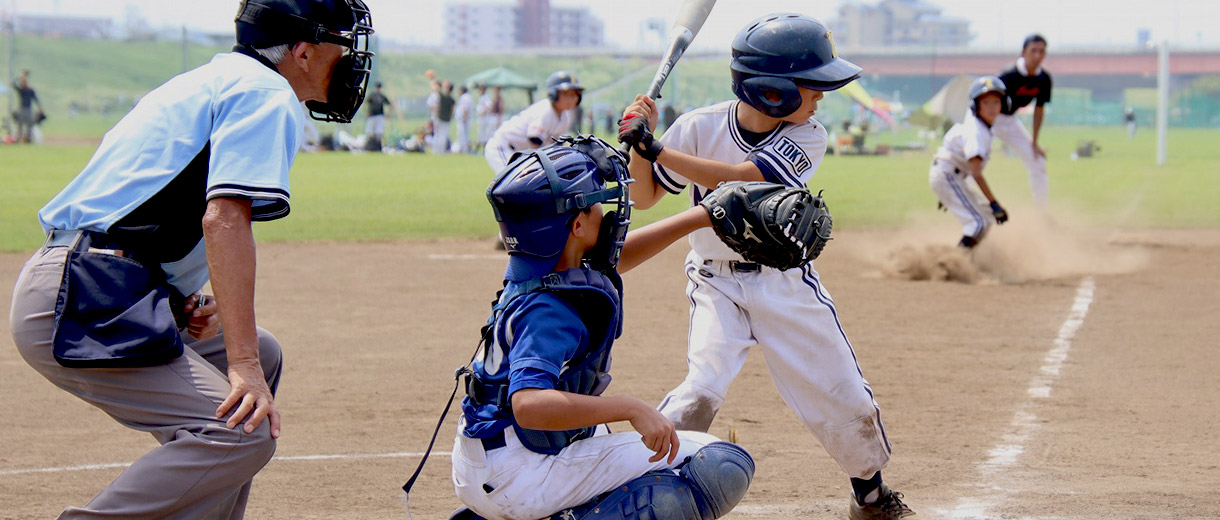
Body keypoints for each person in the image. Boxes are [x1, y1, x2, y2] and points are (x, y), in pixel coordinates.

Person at [7, 1, 373, 517]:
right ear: (304, 53)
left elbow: (143, 210)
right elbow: (224, 219)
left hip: (98, 282)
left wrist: (178, 297)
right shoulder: (265, 93)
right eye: (344, 43)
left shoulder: (220, 78)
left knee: (261, 354)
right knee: (242, 432)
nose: (354, 59)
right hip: (81, 297)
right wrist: (240, 366)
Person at [617, 14, 915, 520]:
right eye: (811, 86)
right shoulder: (697, 126)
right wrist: (639, 145)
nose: (821, 97)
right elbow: (644, 198)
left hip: (784, 283)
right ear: (771, 91)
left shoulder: (809, 135)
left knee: (841, 392)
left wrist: (658, 146)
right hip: (715, 282)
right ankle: (632, 485)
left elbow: (740, 179)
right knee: (701, 390)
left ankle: (869, 494)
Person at [451, 136, 755, 520]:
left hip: (493, 459)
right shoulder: (551, 309)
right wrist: (630, 408)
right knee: (720, 465)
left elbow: (613, 259)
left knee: (606, 439)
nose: (605, 210)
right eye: (595, 204)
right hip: (521, 473)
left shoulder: (538, 267)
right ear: (577, 225)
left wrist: (704, 214)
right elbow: (528, 405)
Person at [930, 76, 1011, 249]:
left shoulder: (981, 127)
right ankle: (955, 263)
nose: (991, 107)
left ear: (1004, 104)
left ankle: (966, 260)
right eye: (986, 102)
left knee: (986, 219)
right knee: (978, 223)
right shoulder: (975, 132)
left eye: (996, 102)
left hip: (951, 175)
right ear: (976, 105)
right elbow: (976, 173)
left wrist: (949, 194)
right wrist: (994, 203)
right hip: (948, 174)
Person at [483, 71, 583, 173]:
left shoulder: (565, 116)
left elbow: (557, 147)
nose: (572, 99)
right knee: (513, 183)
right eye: (567, 94)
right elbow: (534, 145)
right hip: (503, 146)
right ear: (553, 94)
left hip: (519, 152)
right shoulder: (545, 111)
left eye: (575, 94)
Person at [996, 34, 1053, 209]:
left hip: (1010, 121)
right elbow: (988, 102)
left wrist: (1035, 142)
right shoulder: (1008, 74)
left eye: (1041, 51)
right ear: (1023, 52)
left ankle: (1042, 215)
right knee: (974, 161)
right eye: (1033, 51)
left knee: (1037, 162)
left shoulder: (1044, 78)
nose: (1037, 55)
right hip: (988, 120)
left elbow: (1039, 109)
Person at [12, 69, 44, 144]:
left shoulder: (30, 90)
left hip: (28, 109)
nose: (23, 83)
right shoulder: (21, 90)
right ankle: (18, 140)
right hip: (21, 109)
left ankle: (28, 140)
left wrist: (40, 108)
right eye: (22, 82)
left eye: (24, 81)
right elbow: (13, 84)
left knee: (29, 126)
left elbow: (36, 99)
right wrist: (19, 76)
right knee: (19, 125)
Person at [364, 81, 393, 149]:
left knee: (378, 132)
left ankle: (378, 146)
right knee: (369, 132)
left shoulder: (382, 96)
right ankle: (369, 145)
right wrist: (366, 113)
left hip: (380, 116)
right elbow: (365, 104)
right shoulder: (372, 95)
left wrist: (388, 114)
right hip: (372, 115)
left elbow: (389, 104)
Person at [455, 84, 474, 153]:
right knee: (464, 135)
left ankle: (464, 149)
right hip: (465, 119)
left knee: (463, 135)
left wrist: (464, 118)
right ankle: (464, 148)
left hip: (464, 119)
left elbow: (465, 109)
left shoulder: (465, 97)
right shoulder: (467, 97)